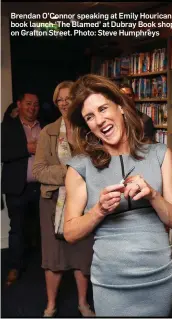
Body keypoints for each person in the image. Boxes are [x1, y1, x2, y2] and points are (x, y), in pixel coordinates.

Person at [63, 74, 172, 316]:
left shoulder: (159, 154)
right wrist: (99, 210)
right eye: (90, 117)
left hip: (159, 278)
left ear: (120, 105)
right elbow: (70, 233)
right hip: (111, 282)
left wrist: (152, 195)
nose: (99, 120)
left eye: (103, 108)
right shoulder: (80, 166)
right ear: (86, 125)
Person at [32, 81, 95, 317]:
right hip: (52, 203)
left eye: (68, 98)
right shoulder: (47, 132)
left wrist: (71, 174)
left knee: (82, 255)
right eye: (59, 99)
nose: (64, 103)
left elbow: (96, 166)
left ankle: (82, 303)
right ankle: (51, 304)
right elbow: (38, 171)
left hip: (82, 203)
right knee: (53, 257)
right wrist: (71, 173)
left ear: (77, 100)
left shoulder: (88, 129)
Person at [1, 91, 46, 287]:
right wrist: (25, 149)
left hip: (43, 187)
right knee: (17, 229)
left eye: (36, 104)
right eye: (28, 103)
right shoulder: (7, 127)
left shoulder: (45, 127)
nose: (32, 107)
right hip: (17, 187)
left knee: (45, 227)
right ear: (18, 104)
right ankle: (14, 267)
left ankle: (48, 266)